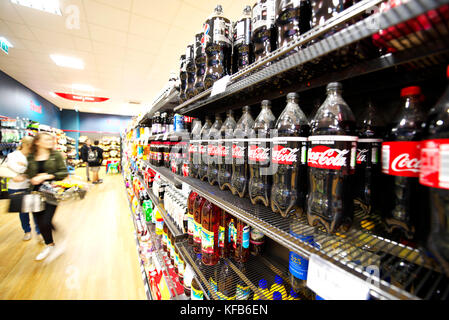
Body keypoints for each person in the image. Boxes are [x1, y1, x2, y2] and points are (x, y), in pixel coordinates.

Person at [26, 132, 68, 261]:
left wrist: (47, 176)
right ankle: (49, 245)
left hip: (51, 192)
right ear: (37, 142)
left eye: (51, 139)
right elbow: (28, 173)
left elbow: (63, 172)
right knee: (40, 222)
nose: (50, 141)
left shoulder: (56, 155)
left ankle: (57, 239)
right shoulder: (31, 157)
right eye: (46, 139)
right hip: (34, 193)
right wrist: (27, 177)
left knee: (45, 221)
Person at [6, 136, 42, 242]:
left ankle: (39, 232)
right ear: (26, 145)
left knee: (36, 210)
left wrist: (25, 168)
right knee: (23, 212)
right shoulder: (13, 155)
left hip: (32, 186)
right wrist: (28, 168)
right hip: (16, 187)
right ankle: (27, 231)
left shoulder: (34, 156)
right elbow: (16, 168)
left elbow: (36, 169)